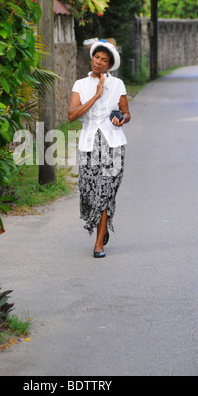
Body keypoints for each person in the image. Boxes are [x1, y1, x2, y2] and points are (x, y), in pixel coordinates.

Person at [68, 40, 131, 258]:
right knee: (88, 192)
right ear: (92, 58)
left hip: (113, 145)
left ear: (109, 65)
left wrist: (121, 119)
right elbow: (71, 115)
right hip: (88, 145)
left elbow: (126, 112)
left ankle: (98, 244)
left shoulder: (118, 85)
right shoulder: (80, 85)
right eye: (97, 57)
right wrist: (96, 94)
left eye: (104, 60)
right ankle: (101, 228)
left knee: (104, 193)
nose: (99, 62)